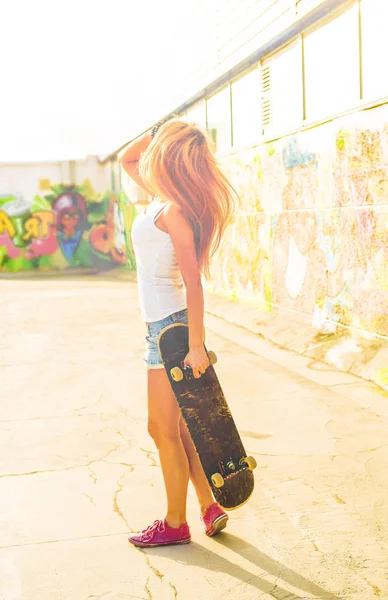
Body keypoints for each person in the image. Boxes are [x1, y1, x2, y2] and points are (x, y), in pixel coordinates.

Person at [118, 118, 237, 548]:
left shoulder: (175, 212)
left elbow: (194, 283)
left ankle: (174, 523)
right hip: (158, 330)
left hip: (171, 334)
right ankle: (208, 506)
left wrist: (195, 346)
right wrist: (159, 128)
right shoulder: (155, 200)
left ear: (168, 158)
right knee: (181, 429)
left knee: (160, 429)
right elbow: (126, 156)